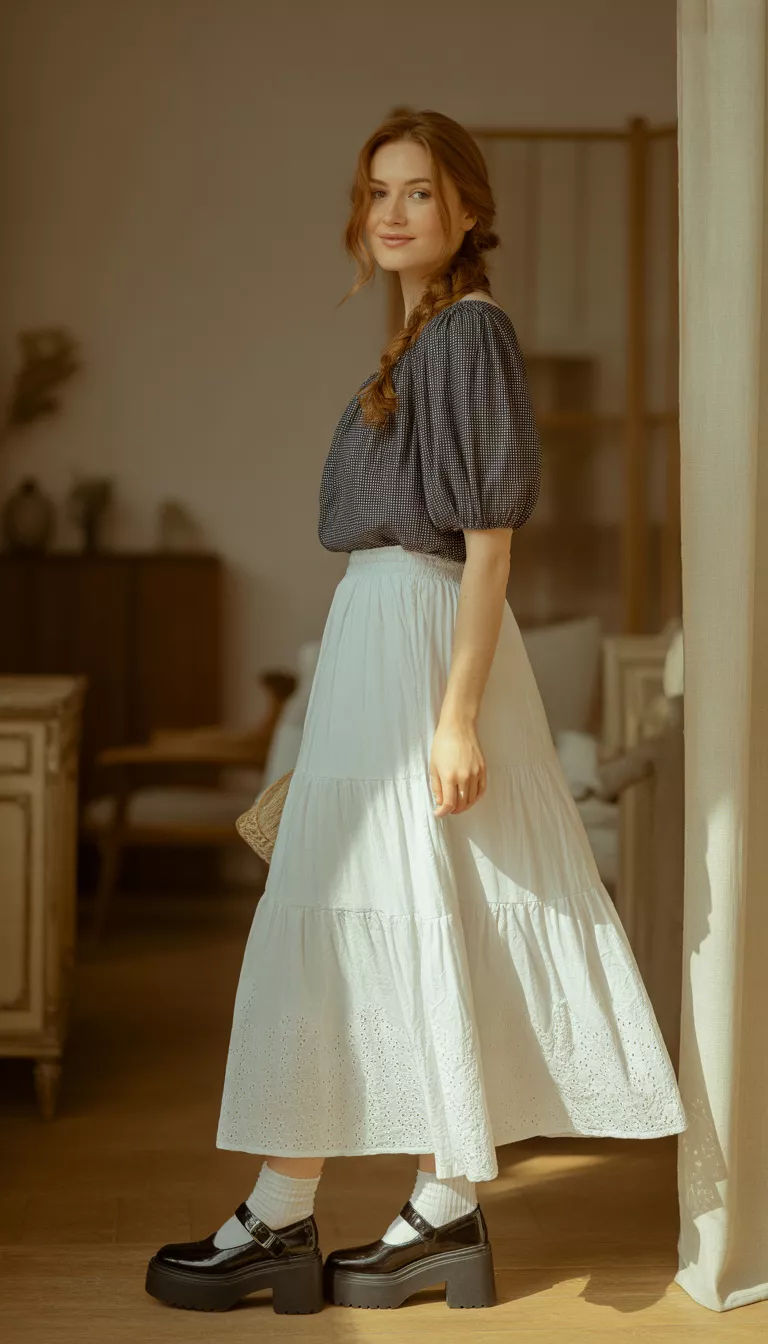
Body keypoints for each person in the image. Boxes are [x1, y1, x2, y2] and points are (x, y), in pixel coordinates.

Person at [145, 106, 686, 1316]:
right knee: (391, 913)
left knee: (393, 912)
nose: (393, 213)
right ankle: (396, 1211)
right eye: (379, 192)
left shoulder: (468, 336)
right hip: (383, 643)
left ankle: (322, 1216)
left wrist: (454, 717)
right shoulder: (419, 341)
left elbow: (488, 546)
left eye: (420, 194)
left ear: (468, 212)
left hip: (427, 653)